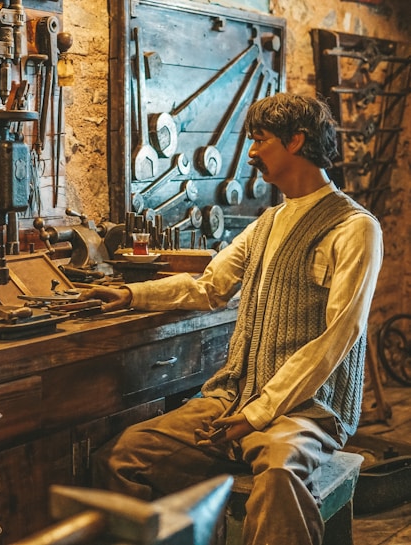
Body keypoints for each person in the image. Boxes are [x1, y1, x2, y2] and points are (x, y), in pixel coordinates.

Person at [80, 93, 383, 545]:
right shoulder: (267, 223)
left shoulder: (355, 227)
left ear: (296, 140)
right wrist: (130, 294)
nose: (253, 152)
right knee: (123, 458)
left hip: (305, 410)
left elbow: (339, 335)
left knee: (280, 474)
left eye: (260, 140)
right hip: (234, 396)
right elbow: (208, 286)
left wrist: (259, 414)